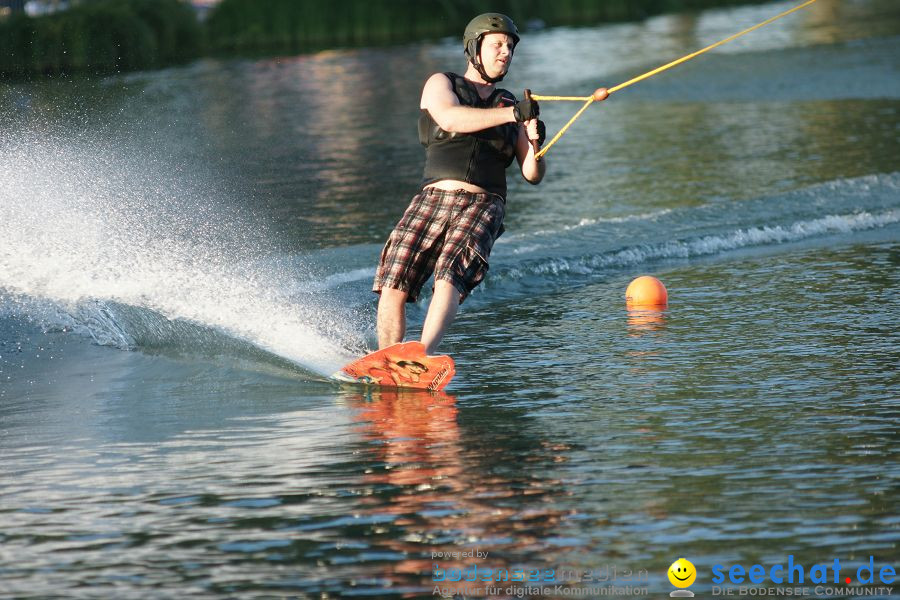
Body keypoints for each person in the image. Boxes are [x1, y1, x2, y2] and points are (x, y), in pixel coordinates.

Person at [372, 13, 606, 355]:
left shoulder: (513, 103)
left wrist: (535, 140)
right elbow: (451, 118)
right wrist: (514, 116)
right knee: (395, 279)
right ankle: (386, 359)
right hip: (432, 197)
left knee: (449, 275)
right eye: (497, 45)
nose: (505, 52)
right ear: (474, 49)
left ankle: (420, 355)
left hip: (484, 204)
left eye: (510, 46)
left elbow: (532, 173)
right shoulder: (443, 84)